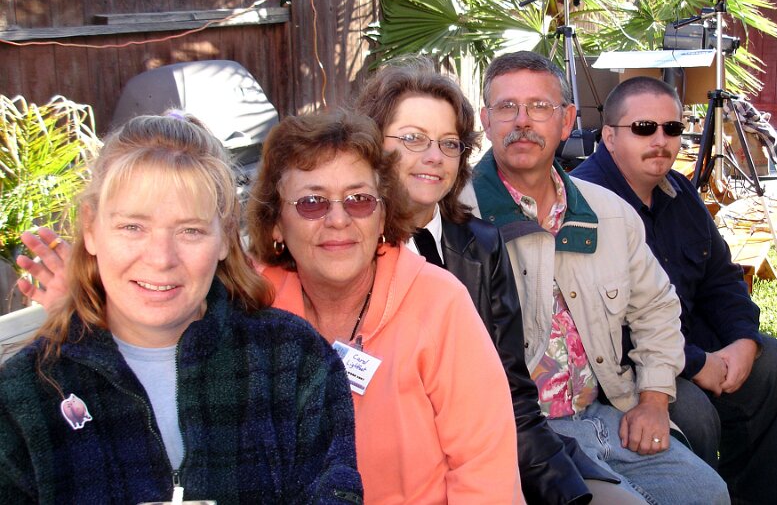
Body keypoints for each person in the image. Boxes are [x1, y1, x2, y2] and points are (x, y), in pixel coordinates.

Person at [2, 113, 363, 504]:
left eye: (190, 230)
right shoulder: (24, 396)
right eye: (132, 227)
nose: (161, 259)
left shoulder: (293, 362)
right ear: (90, 228)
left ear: (225, 238)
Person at [353, 57, 642, 505]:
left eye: (449, 143)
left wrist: (564, 489)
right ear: (373, 145)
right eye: (412, 138)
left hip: (492, 455)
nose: (433, 156)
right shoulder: (347, 250)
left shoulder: (481, 245)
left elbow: (512, 395)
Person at [459, 50, 730, 504]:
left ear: (567, 121)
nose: (522, 121)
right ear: (486, 121)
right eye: (507, 107)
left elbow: (657, 309)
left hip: (607, 413)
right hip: (520, 434)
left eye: (539, 106)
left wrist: (654, 399)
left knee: (708, 493)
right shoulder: (458, 219)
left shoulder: (608, 213)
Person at [246, 109, 520, 504]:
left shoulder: (440, 303)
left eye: (359, 200)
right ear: (276, 223)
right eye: (312, 202)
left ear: (382, 215)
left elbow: (485, 470)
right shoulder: (250, 307)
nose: (338, 219)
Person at [571, 75, 777, 505]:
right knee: (692, 412)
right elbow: (603, 328)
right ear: (609, 137)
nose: (661, 140)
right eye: (644, 128)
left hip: (690, 342)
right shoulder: (583, 206)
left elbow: (721, 279)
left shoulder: (679, 192)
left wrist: (743, 340)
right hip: (627, 368)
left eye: (672, 128)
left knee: (775, 364)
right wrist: (695, 363)